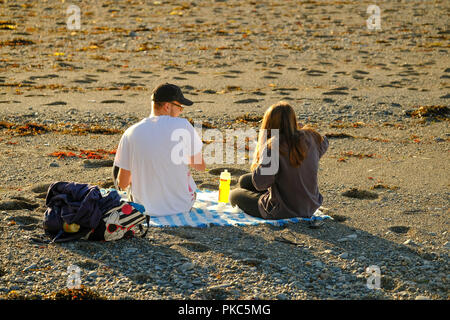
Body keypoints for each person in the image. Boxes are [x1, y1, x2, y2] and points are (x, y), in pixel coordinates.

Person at [113, 83, 206, 216]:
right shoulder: (183, 125)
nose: (181, 111)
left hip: (144, 209)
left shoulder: (131, 132)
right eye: (180, 107)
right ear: (167, 106)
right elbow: (200, 166)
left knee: (123, 163)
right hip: (182, 206)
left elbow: (122, 184)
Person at [229, 101, 329, 220]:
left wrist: (263, 153)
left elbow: (261, 184)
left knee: (234, 195)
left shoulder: (273, 145)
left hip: (284, 210)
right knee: (244, 180)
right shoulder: (311, 136)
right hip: (310, 204)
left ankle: (273, 200)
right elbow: (324, 144)